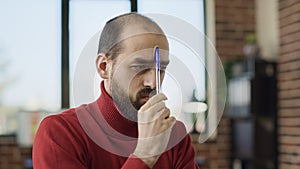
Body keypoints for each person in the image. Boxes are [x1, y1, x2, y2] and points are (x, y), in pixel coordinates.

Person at [33, 12, 199, 169]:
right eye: (139, 66)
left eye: (160, 69)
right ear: (104, 67)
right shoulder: (61, 133)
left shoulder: (174, 135)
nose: (153, 82)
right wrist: (145, 154)